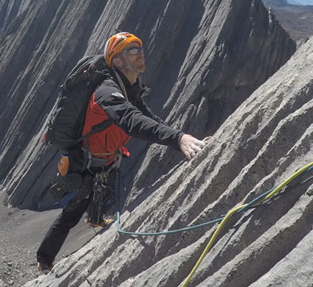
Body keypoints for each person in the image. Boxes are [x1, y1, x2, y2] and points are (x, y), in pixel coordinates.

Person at [36, 32, 207, 272]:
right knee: (71, 214)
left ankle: (95, 219)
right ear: (117, 61)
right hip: (85, 165)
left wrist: (181, 137)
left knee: (101, 195)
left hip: (106, 161)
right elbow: (131, 120)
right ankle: (44, 260)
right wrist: (178, 139)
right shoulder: (107, 91)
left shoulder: (129, 88)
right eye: (133, 51)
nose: (141, 54)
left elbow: (149, 119)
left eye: (140, 49)